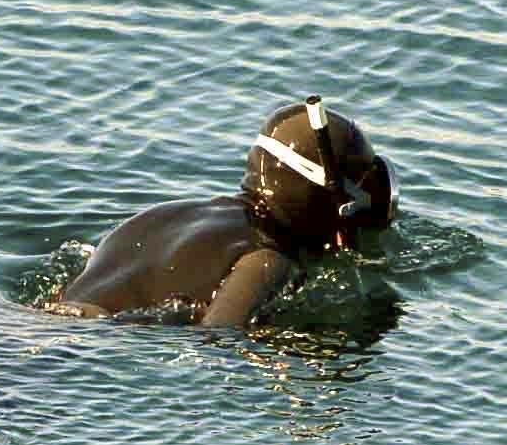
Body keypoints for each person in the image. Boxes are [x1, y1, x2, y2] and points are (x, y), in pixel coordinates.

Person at [52, 96, 398, 327]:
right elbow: (218, 337)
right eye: (364, 190)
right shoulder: (267, 260)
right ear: (331, 198)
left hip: (38, 324)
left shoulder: (168, 214)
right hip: (80, 349)